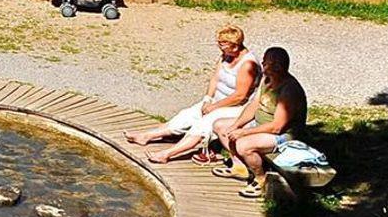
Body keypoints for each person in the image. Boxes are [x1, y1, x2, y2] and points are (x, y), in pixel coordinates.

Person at [125, 25, 260, 164]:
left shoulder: (247, 64)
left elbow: (240, 96)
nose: (219, 47)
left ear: (235, 46)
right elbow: (215, 78)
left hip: (236, 107)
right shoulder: (226, 55)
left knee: (203, 125)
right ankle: (146, 136)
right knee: (186, 115)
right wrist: (208, 99)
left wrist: (214, 107)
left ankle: (167, 154)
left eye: (223, 44)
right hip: (217, 101)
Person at [216, 46, 309, 198]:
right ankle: (240, 166)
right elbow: (254, 106)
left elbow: (277, 127)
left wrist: (244, 132)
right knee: (221, 126)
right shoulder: (267, 80)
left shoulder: (289, 90)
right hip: (261, 125)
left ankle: (260, 179)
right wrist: (236, 125)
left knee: (243, 145)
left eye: (267, 63)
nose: (263, 65)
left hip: (284, 136)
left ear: (278, 67)